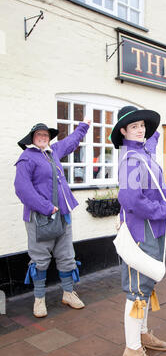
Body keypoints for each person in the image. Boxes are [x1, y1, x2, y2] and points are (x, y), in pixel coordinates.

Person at [110, 105, 166, 356]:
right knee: (137, 289)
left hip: (152, 229)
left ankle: (143, 334)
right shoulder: (131, 160)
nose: (140, 129)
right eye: (134, 126)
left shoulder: (142, 153)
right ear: (123, 131)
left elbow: (153, 137)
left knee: (147, 285)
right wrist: (165, 209)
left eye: (142, 126)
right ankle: (132, 350)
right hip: (141, 231)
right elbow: (130, 199)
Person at [14, 119, 91, 318]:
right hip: (39, 217)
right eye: (39, 135)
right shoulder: (26, 158)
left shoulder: (53, 152)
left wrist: (84, 126)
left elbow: (72, 141)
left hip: (63, 214)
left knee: (66, 255)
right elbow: (22, 189)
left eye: (46, 135)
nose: (43, 138)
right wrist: (46, 207)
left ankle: (68, 293)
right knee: (40, 259)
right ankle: (39, 299)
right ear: (32, 139)